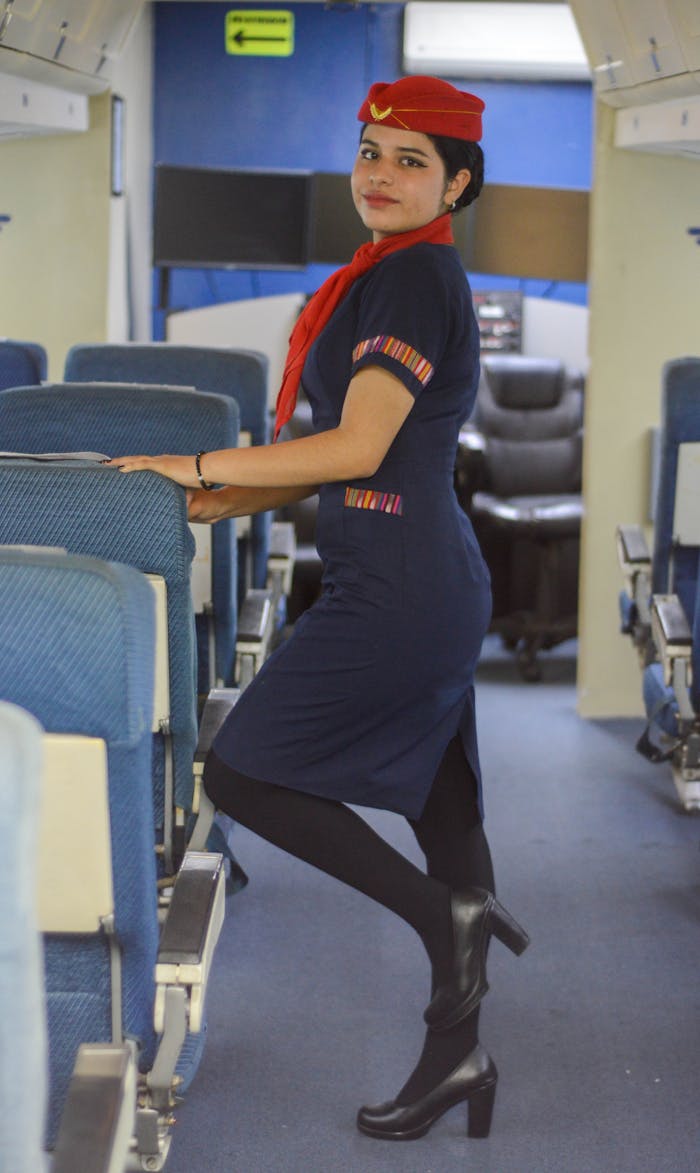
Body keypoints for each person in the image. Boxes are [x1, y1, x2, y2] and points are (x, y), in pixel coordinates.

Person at [109, 74, 529, 1142]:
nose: (380, 176)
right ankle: (457, 1058)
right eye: (371, 153)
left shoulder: (410, 280)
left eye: (411, 161)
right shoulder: (389, 273)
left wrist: (196, 454)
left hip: (397, 589)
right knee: (448, 821)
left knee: (241, 768)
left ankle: (447, 920)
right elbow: (343, 459)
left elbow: (359, 448)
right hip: (411, 573)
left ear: (457, 182)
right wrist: (231, 494)